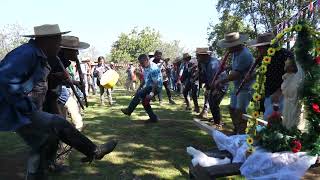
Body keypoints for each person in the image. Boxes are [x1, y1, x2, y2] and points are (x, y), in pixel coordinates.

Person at [0, 24, 117, 180]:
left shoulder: (40, 55)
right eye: (57, 42)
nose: (59, 46)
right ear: (46, 41)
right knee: (58, 124)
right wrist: (26, 106)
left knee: (43, 141)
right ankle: (95, 151)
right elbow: (4, 80)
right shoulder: (26, 54)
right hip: (14, 108)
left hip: (25, 108)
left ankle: (37, 174)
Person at [247, 32, 293, 120]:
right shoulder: (264, 57)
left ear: (269, 46)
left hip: (285, 95)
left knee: (276, 123)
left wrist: (279, 92)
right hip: (269, 94)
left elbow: (292, 76)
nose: (257, 49)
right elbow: (262, 71)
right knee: (268, 122)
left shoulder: (286, 55)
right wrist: (252, 75)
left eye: (260, 47)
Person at [215, 32, 254, 134]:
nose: (227, 48)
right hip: (236, 86)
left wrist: (221, 81)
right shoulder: (235, 53)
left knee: (240, 111)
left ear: (236, 44)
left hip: (245, 87)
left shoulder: (245, 55)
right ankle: (237, 129)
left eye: (229, 46)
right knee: (232, 108)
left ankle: (241, 133)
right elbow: (235, 67)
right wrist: (227, 67)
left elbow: (235, 75)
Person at [121, 54, 163, 123]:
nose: (141, 65)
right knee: (144, 102)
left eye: (142, 63)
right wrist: (138, 89)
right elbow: (144, 79)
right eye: (140, 63)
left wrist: (151, 94)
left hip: (156, 87)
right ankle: (154, 118)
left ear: (146, 60)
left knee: (140, 94)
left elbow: (155, 83)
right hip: (149, 86)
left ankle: (129, 110)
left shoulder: (154, 68)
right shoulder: (146, 67)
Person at [197, 48, 228, 129]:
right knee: (212, 103)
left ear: (204, 56)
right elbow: (206, 77)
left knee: (214, 103)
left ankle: (218, 123)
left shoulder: (212, 64)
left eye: (198, 56)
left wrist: (214, 90)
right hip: (213, 84)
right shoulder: (204, 63)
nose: (197, 57)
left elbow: (216, 79)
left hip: (220, 86)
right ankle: (217, 121)